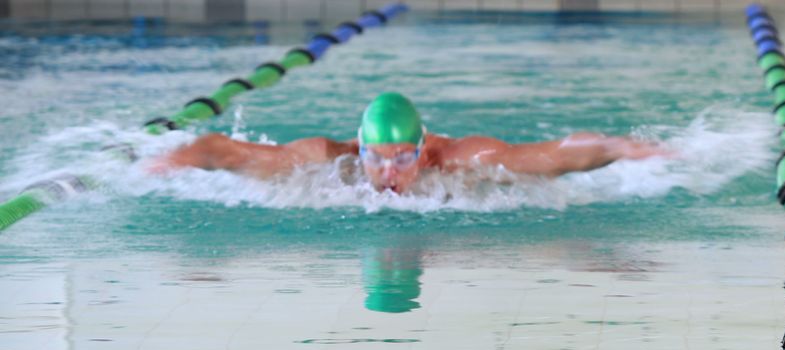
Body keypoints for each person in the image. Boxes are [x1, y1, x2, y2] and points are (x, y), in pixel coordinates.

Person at [153, 92, 665, 194]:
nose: (389, 172)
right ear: (360, 148)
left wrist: (621, 146)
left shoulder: (464, 158)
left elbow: (553, 156)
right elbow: (223, 148)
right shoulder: (324, 160)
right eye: (377, 159)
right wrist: (175, 158)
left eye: (405, 158)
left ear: (424, 148)